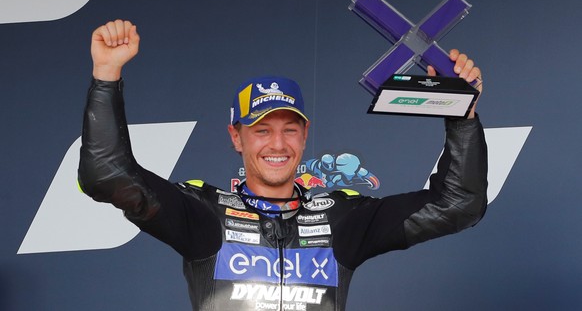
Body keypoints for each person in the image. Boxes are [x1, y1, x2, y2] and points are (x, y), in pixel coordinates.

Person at [78, 19, 487, 311]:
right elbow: (107, 174)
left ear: (305, 136)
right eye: (261, 130)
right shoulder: (202, 214)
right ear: (236, 137)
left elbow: (458, 205)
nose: (277, 144)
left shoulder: (343, 218)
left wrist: (460, 112)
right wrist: (107, 74)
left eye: (290, 130)